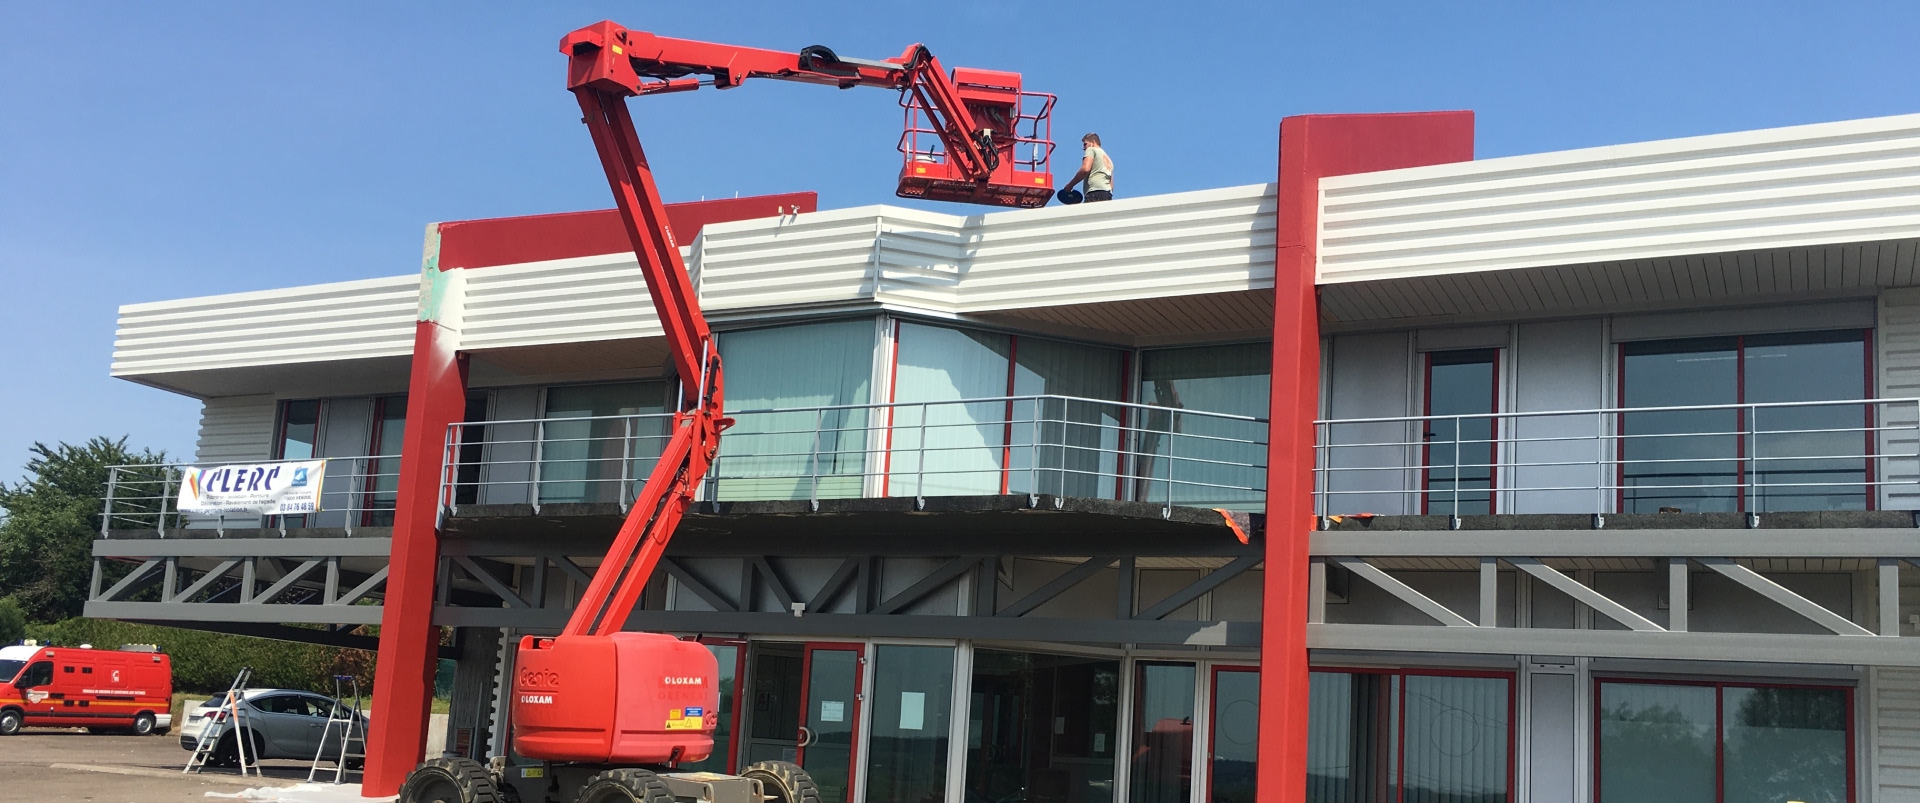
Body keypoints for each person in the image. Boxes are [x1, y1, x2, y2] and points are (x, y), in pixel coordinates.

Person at [1061, 133, 1114, 202]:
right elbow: (1111, 184)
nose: (1083, 148)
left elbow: (1085, 169)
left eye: (1085, 144)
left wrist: (1070, 185)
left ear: (1093, 143)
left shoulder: (1091, 150)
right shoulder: (1108, 160)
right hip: (1107, 194)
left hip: (1094, 192)